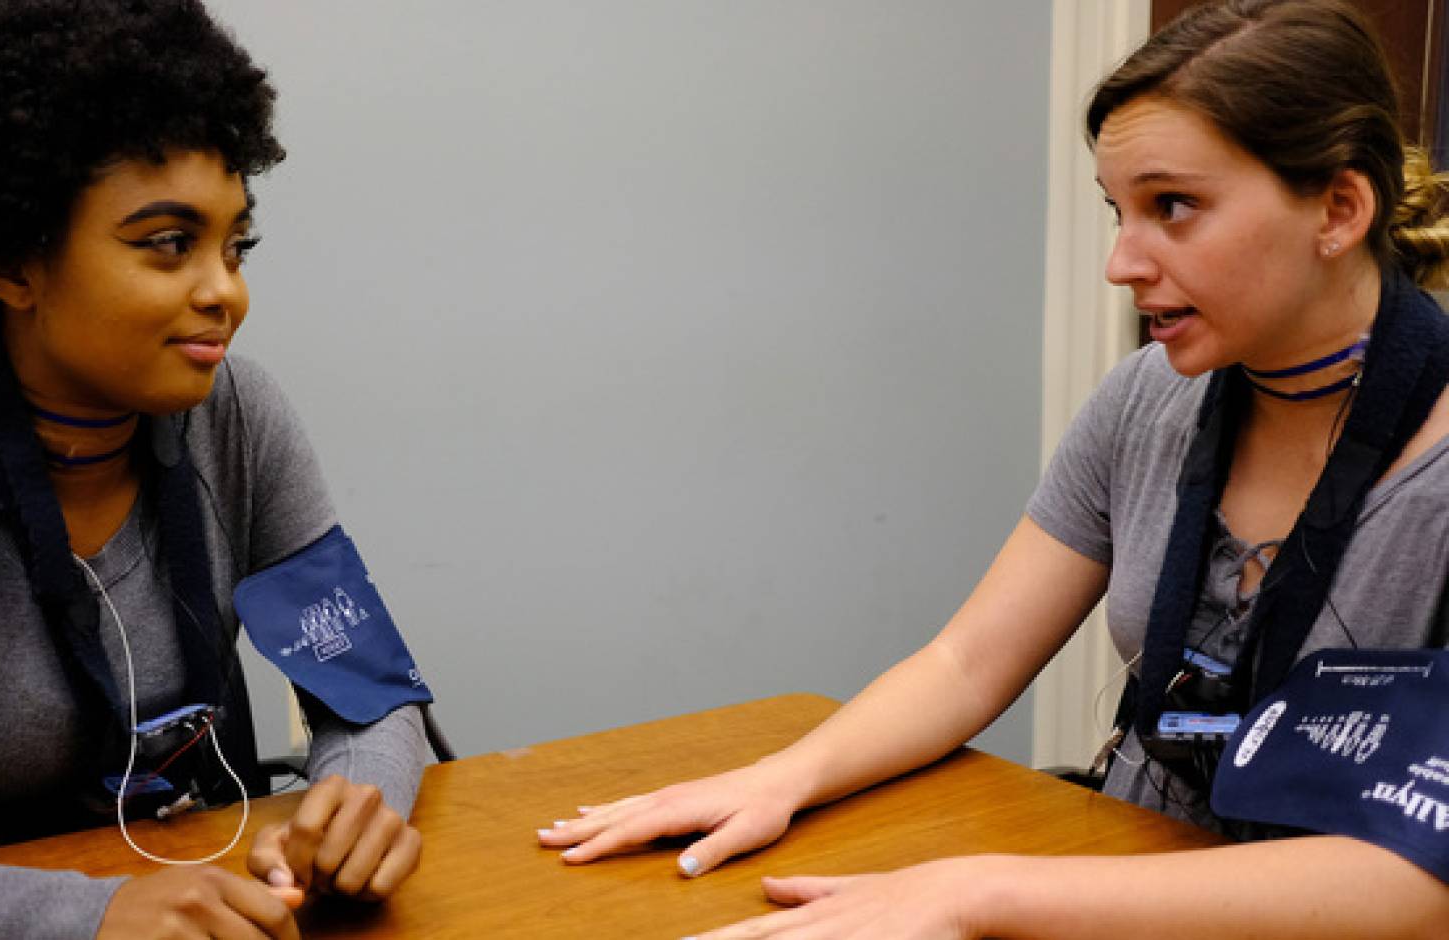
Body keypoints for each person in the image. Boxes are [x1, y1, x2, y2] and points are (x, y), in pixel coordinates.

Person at [540, 1, 1449, 935]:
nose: (1120, 263)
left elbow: (1426, 894)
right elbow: (969, 662)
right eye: (1117, 210)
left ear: (1339, 209)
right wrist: (777, 780)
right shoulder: (1145, 399)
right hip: (1120, 874)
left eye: (1173, 206)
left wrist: (973, 891)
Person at [0, 2, 434, 937]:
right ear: (11, 261)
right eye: (169, 243)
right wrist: (82, 918)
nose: (225, 291)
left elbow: (367, 701)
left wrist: (354, 810)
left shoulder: (239, 416)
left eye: (235, 244)